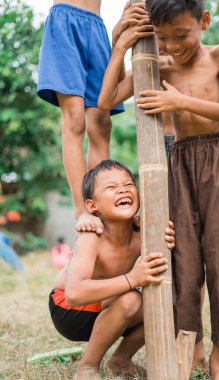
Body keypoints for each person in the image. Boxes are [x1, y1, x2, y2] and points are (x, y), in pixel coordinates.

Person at [98, 1, 219, 379]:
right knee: (182, 261)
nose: (172, 46)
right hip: (177, 163)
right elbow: (105, 100)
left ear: (205, 20)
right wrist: (120, 46)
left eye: (181, 35)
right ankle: (190, 347)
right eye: (162, 37)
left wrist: (180, 101)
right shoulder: (154, 64)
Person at [49, 159, 175, 380]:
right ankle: (87, 368)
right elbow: (74, 294)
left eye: (128, 184)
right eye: (111, 187)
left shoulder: (141, 231)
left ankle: (121, 360)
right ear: (92, 206)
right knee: (131, 299)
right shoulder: (92, 236)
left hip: (108, 303)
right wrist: (133, 278)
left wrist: (169, 237)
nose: (122, 190)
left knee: (169, 303)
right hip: (69, 310)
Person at [37, 1, 151, 234]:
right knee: (75, 120)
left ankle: (104, 207)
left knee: (101, 124)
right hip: (66, 21)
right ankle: (82, 209)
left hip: (97, 26)